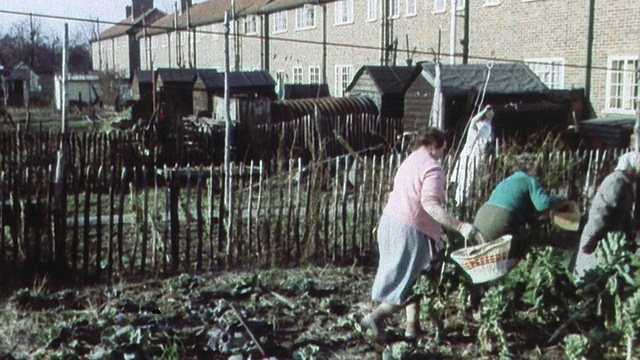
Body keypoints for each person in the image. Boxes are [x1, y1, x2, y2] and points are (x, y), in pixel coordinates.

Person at [361, 127, 485, 341]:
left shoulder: (408, 162)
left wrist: (444, 227)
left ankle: (412, 327)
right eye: (442, 150)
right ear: (434, 147)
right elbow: (430, 204)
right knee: (405, 282)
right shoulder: (432, 167)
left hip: (389, 223)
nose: (442, 155)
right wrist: (460, 226)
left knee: (415, 277)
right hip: (409, 229)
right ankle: (374, 318)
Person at [473, 153, 562, 261]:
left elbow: (516, 204)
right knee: (520, 247)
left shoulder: (509, 180)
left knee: (490, 257)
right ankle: (516, 268)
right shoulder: (529, 179)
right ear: (530, 167)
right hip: (500, 219)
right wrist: (557, 199)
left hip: (481, 219)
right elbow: (543, 205)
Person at [571, 151, 640, 282]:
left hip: (610, 240)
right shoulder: (616, 182)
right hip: (600, 238)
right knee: (588, 277)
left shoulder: (626, 184)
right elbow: (602, 212)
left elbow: (623, 215)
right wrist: (592, 238)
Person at [453, 104, 495, 207]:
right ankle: (458, 202)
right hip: (469, 155)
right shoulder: (475, 126)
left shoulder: (488, 127)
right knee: (464, 179)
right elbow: (473, 120)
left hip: (479, 156)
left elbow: (491, 139)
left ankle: (465, 203)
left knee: (473, 180)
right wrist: (484, 111)